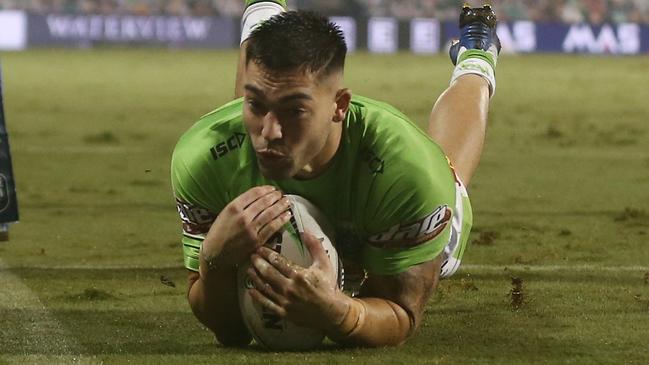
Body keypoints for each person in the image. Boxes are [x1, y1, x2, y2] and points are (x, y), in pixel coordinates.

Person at [171, 1, 500, 347]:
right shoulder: (204, 155)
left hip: (383, 224)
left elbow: (401, 315)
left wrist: (340, 313)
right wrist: (215, 260)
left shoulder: (409, 175)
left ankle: (477, 53)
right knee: (264, 111)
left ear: (339, 106)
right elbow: (229, 331)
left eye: (295, 110)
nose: (268, 131)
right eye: (254, 105)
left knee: (449, 172)